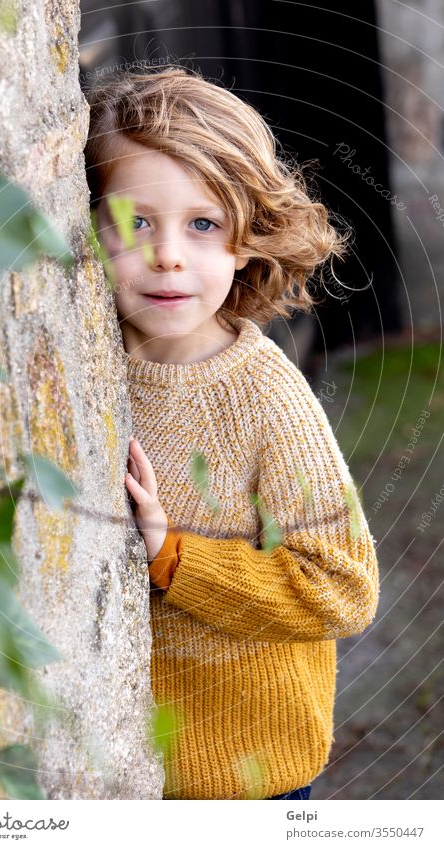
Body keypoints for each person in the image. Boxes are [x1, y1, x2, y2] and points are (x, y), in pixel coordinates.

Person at [83, 65, 379, 800]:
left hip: (248, 779)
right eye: (134, 221)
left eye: (202, 223)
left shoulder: (263, 396)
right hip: (129, 770)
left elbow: (342, 589)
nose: (168, 254)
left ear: (245, 238)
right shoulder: (85, 358)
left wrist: (173, 555)